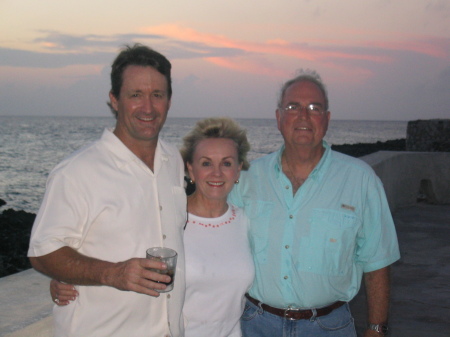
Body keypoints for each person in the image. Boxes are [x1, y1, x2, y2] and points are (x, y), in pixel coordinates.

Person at [28, 44, 187, 337]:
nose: (148, 107)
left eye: (157, 95)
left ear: (169, 101)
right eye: (135, 95)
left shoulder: (173, 161)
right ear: (115, 100)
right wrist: (113, 273)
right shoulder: (77, 172)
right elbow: (42, 252)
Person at [228, 70, 400, 337]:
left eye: (314, 108)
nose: (303, 116)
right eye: (293, 107)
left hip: (329, 327)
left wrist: (377, 329)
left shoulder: (360, 179)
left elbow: (377, 261)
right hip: (254, 325)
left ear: (327, 119)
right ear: (279, 118)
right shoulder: (247, 177)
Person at [50, 117, 255, 337]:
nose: (216, 173)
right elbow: (118, 257)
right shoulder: (168, 219)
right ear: (191, 170)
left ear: (238, 170)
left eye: (226, 163)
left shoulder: (246, 222)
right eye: (206, 163)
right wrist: (64, 279)